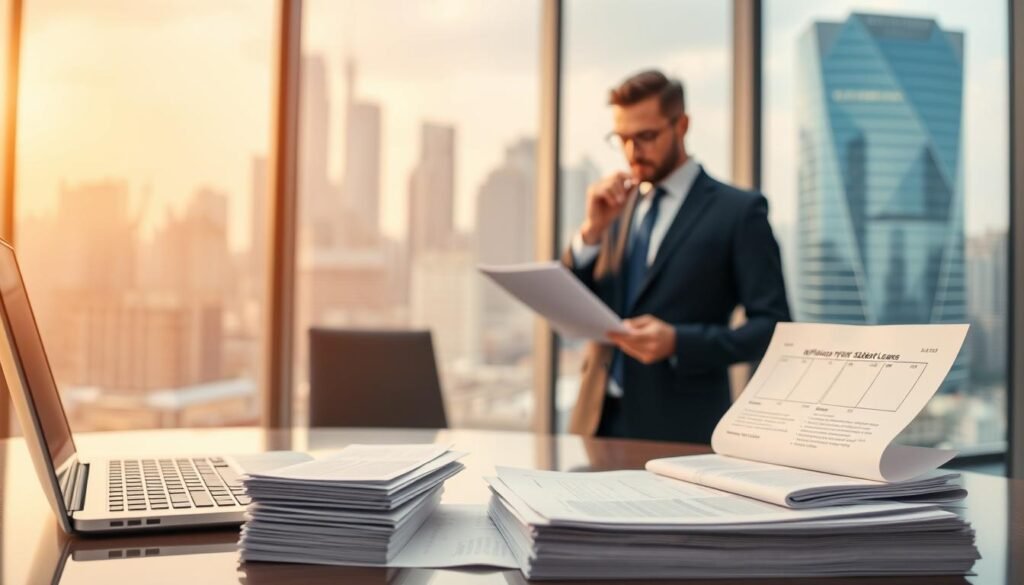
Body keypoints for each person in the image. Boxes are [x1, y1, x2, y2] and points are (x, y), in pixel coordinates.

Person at [564, 69, 790, 444]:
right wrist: (591, 232)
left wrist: (679, 342)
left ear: (681, 125)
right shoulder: (614, 205)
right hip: (594, 421)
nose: (632, 152)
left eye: (646, 137)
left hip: (680, 428)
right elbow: (574, 302)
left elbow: (774, 328)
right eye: (622, 139)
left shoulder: (738, 212)